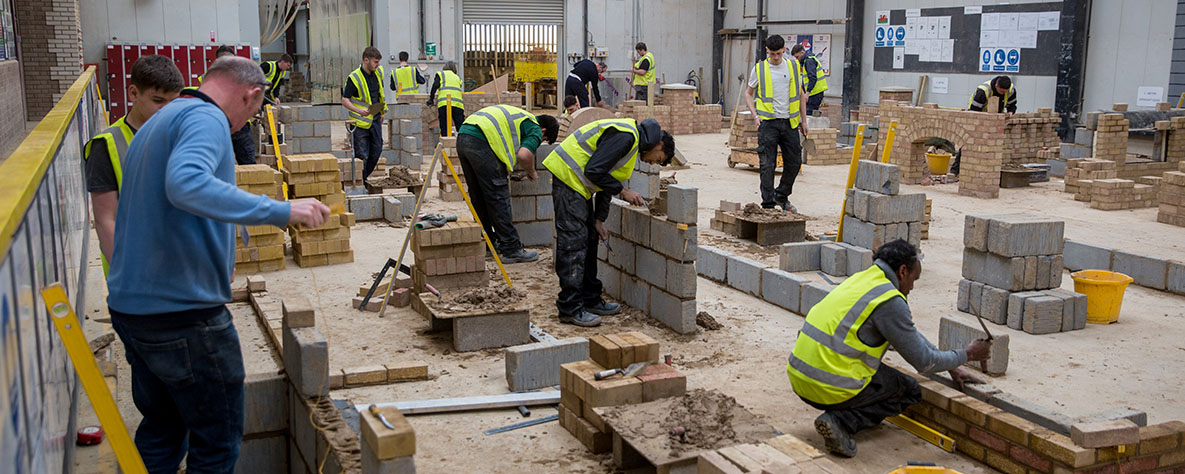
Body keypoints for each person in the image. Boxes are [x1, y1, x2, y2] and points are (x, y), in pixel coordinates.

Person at [106, 55, 331, 472]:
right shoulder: (205, 120)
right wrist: (281, 211)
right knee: (218, 441)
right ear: (252, 94)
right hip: (182, 316)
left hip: (135, 309)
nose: (245, 123)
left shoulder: (159, 121)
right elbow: (187, 185)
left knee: (163, 430)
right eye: (253, 111)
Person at [786, 240, 991, 458]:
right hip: (826, 385)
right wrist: (968, 354)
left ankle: (841, 413)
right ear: (903, 271)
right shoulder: (890, 300)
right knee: (908, 390)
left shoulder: (862, 280)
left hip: (800, 376)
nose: (912, 287)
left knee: (879, 372)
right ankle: (840, 421)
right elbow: (924, 362)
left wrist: (952, 364)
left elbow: (906, 336)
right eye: (914, 279)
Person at [542, 118, 675, 327]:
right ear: (659, 144)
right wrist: (624, 191)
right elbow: (594, 171)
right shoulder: (626, 136)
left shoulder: (631, 143)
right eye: (658, 159)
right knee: (573, 245)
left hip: (579, 186)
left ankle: (590, 299)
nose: (652, 163)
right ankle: (569, 308)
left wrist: (598, 220)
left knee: (590, 238)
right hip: (568, 178)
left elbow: (605, 177)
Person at [85, 55, 184, 275]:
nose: (167, 110)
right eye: (158, 101)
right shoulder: (107, 146)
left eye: (173, 102)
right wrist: (130, 276)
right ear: (133, 93)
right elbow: (105, 220)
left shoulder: (182, 137)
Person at [457, 105, 560, 263]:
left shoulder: (520, 118)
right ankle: (512, 249)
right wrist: (532, 172)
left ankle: (488, 245)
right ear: (544, 131)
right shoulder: (535, 127)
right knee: (498, 196)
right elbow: (524, 155)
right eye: (543, 140)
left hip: (464, 135)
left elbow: (504, 142)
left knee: (478, 195)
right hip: (481, 139)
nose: (540, 141)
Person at [744, 35, 808, 212]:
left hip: (789, 123)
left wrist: (804, 121)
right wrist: (755, 116)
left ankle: (781, 195)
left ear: (784, 50)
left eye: (779, 53)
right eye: (773, 54)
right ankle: (768, 205)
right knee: (767, 165)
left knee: (794, 162)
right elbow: (748, 94)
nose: (776, 57)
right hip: (768, 125)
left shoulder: (793, 66)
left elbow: (801, 95)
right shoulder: (760, 69)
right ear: (767, 51)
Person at [341, 47, 389, 179]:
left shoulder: (378, 72)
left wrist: (382, 112)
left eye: (378, 62)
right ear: (366, 60)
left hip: (375, 119)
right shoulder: (354, 78)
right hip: (359, 123)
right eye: (375, 62)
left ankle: (364, 176)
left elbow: (379, 94)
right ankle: (361, 181)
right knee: (362, 155)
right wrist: (358, 111)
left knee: (377, 149)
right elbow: (345, 100)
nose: (378, 65)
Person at [790, 44, 827, 117]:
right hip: (815, 92)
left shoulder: (809, 61)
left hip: (814, 93)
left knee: (808, 114)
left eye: (797, 57)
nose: (797, 59)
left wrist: (807, 93)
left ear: (802, 53)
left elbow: (812, 78)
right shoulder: (809, 59)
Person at [430, 61, 466, 136]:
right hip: (458, 104)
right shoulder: (457, 77)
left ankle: (446, 143)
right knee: (461, 128)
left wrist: (431, 99)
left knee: (444, 127)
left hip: (444, 103)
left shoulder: (441, 74)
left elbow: (435, 86)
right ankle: (463, 144)